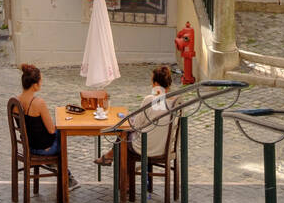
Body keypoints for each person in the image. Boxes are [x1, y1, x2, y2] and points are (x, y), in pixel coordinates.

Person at [93, 64, 174, 169]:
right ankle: (109, 156)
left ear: (156, 84)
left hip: (147, 146)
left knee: (123, 136)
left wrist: (129, 120)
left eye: (152, 82)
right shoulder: (175, 102)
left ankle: (122, 178)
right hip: (166, 146)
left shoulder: (150, 100)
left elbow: (136, 125)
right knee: (125, 136)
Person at [16, 63, 80, 191]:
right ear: (35, 85)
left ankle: (60, 170)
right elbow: (51, 130)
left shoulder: (15, 101)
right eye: (41, 81)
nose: (41, 83)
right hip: (43, 149)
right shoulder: (38, 103)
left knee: (58, 130)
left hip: (28, 145)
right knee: (62, 132)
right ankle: (67, 179)